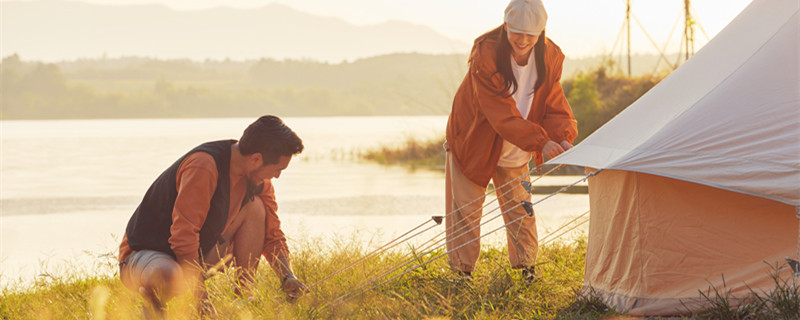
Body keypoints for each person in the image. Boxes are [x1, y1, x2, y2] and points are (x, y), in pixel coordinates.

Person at [117, 115, 308, 316]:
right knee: (168, 275)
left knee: (257, 208)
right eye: (278, 169)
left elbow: (273, 235)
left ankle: (243, 298)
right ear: (256, 159)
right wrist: (202, 301)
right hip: (144, 257)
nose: (277, 176)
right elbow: (183, 237)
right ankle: (153, 303)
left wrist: (288, 277)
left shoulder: (258, 181)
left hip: (193, 256)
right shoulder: (204, 166)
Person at [444, 0, 578, 282]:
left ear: (541, 32)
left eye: (531, 35)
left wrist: (562, 137)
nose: (522, 40)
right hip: (474, 139)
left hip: (518, 144)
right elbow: (500, 113)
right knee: (466, 210)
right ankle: (462, 275)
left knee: (521, 208)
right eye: (516, 32)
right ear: (506, 26)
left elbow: (553, 102)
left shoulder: (550, 56)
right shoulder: (486, 54)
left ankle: (528, 269)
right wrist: (541, 142)